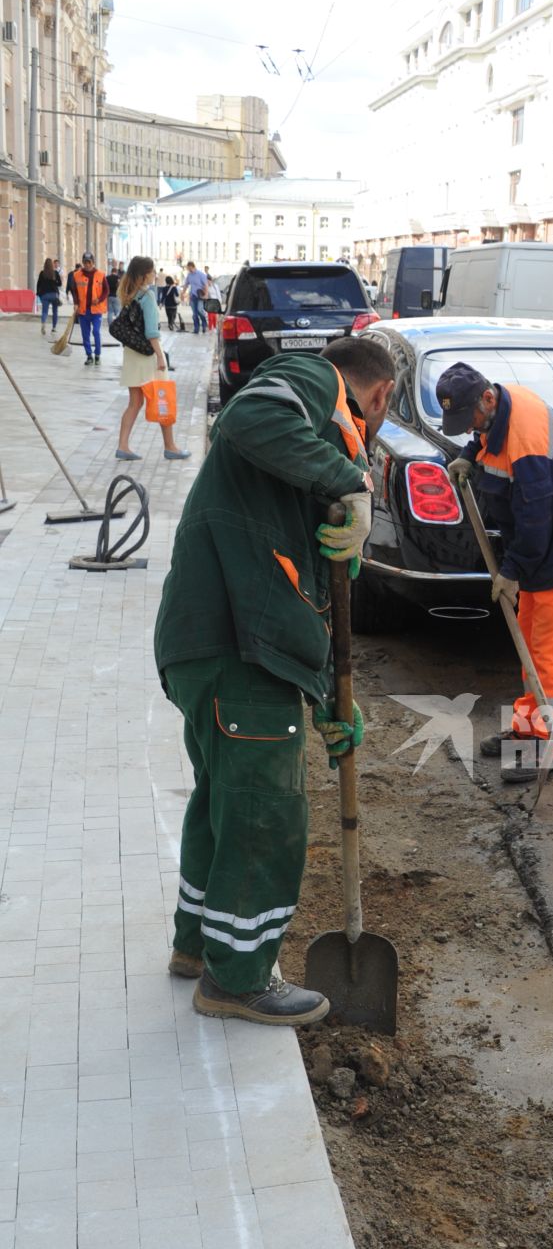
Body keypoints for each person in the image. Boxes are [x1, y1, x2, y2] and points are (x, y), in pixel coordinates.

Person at [153, 334, 393, 1026]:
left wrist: (327, 702)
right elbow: (248, 417)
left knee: (225, 802)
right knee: (266, 814)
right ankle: (238, 978)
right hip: (236, 644)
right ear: (376, 395)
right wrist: (350, 481)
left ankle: (198, 947)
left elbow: (313, 591)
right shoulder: (312, 378)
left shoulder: (305, 457)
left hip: (218, 644)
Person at [437, 360, 553, 786]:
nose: (470, 426)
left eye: (469, 418)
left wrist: (510, 572)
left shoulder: (529, 438)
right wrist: (468, 455)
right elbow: (485, 436)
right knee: (530, 642)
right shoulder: (495, 409)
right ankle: (531, 725)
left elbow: (535, 523)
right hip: (535, 556)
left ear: (487, 399)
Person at [113, 255, 189, 464]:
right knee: (163, 398)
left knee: (134, 402)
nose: (155, 274)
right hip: (148, 356)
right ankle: (170, 446)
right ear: (145, 274)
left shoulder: (128, 294)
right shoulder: (147, 296)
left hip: (131, 354)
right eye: (152, 271)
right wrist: (160, 356)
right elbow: (151, 332)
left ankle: (123, 446)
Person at [67, 251, 108, 365]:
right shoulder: (77, 275)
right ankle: (89, 356)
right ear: (83, 263)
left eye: (89, 262)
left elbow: (106, 290)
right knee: (85, 334)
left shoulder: (100, 275)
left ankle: (98, 355)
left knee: (96, 331)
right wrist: (75, 302)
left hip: (96, 310)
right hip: (83, 310)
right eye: (85, 262)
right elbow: (74, 291)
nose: (87, 265)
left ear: (93, 262)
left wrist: (99, 300)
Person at [36, 257, 61, 334]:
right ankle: (54, 328)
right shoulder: (55, 273)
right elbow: (60, 284)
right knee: (55, 311)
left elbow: (38, 284)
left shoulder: (42, 273)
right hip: (54, 295)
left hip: (44, 295)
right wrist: (55, 282)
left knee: (44, 312)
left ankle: (43, 324)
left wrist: (38, 293)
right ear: (52, 265)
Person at [184, 259, 209, 334]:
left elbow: (206, 285)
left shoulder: (201, 274)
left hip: (200, 296)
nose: (188, 270)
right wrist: (183, 293)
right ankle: (196, 328)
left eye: (189, 268)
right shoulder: (189, 275)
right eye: (187, 269)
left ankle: (204, 324)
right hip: (193, 296)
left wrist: (206, 294)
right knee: (194, 314)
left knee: (199, 310)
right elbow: (186, 284)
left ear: (192, 266)